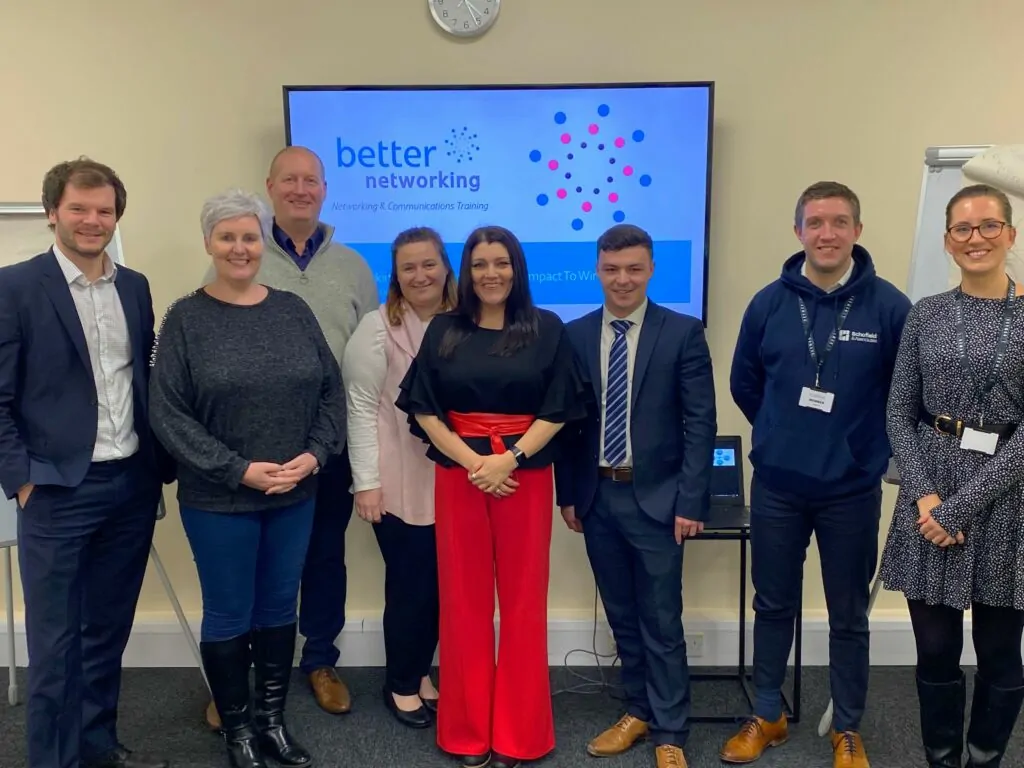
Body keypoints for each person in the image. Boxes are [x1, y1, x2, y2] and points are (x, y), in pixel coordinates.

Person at [150, 189, 343, 768]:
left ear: (265, 242)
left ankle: (272, 723)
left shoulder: (292, 309)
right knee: (230, 612)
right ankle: (237, 732)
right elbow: (168, 413)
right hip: (218, 499)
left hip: (296, 491)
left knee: (280, 609)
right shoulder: (186, 317)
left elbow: (330, 393)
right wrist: (239, 471)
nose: (240, 248)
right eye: (227, 237)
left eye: (250, 237)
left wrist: (313, 457)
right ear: (209, 242)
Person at [724, 181, 912, 768]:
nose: (826, 234)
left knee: (848, 613)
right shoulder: (769, 304)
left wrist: (865, 449)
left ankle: (847, 728)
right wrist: (782, 435)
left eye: (838, 222)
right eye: (815, 223)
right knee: (772, 604)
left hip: (851, 489)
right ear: (798, 231)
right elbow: (745, 383)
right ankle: (768, 714)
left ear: (857, 230)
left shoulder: (889, 306)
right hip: (779, 485)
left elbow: (903, 395)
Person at [0, 158, 171, 768]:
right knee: (55, 645)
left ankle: (97, 749)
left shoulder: (135, 286)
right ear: (53, 213)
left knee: (105, 635)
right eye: (79, 208)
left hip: (128, 484)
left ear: (116, 216)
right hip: (54, 491)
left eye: (104, 210)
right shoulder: (14, 286)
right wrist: (21, 480)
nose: (92, 221)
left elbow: (142, 381)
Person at [396, 225, 586, 768]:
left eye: (500, 262)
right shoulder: (444, 330)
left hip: (522, 477)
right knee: (463, 603)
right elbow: (424, 409)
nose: (490, 273)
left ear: (516, 267)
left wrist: (509, 459)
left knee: (524, 605)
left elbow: (558, 409)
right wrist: (474, 462)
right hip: (461, 476)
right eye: (479, 264)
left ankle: (519, 735)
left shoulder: (547, 328)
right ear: (467, 271)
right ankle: (467, 731)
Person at [201, 146, 378, 728]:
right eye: (290, 179)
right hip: (249, 451)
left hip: (328, 444)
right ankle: (240, 677)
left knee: (323, 558)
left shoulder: (353, 265)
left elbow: (375, 348)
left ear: (325, 189)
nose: (301, 189)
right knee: (251, 567)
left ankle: (320, 661)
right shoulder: (240, 254)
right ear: (270, 186)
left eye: (312, 180)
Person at [554, 224, 717, 768]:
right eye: (612, 269)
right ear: (597, 270)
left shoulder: (682, 332)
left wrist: (691, 500)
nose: (622, 280)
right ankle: (638, 709)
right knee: (622, 616)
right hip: (598, 498)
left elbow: (700, 423)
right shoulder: (574, 335)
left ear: (650, 271)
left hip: (660, 501)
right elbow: (568, 425)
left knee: (662, 621)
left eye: (634, 269)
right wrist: (569, 495)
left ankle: (671, 730)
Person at [879, 184, 1024, 768]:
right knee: (935, 648)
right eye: (963, 229)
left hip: (1008, 496)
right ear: (947, 241)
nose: (976, 239)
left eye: (989, 226)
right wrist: (929, 499)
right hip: (927, 487)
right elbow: (898, 412)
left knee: (999, 649)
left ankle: (985, 756)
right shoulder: (926, 315)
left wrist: (958, 509)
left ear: (1010, 235)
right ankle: (941, 757)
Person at [341, 226, 457, 727]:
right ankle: (401, 685)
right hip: (396, 481)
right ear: (396, 275)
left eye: (428, 264)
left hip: (456, 478)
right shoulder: (377, 326)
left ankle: (420, 673)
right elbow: (361, 408)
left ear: (445, 267)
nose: (420, 275)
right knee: (411, 587)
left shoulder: (465, 322)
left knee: (441, 587)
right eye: (408, 267)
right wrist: (366, 483)